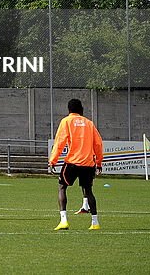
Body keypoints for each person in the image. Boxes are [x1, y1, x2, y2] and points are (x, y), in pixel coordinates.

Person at [48, 98, 103, 231]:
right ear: (81, 109)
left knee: (62, 187)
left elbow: (60, 142)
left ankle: (64, 221)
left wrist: (52, 160)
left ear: (69, 110)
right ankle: (95, 222)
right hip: (88, 163)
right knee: (88, 191)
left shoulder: (66, 121)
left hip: (72, 162)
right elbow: (98, 144)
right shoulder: (89, 123)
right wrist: (99, 162)